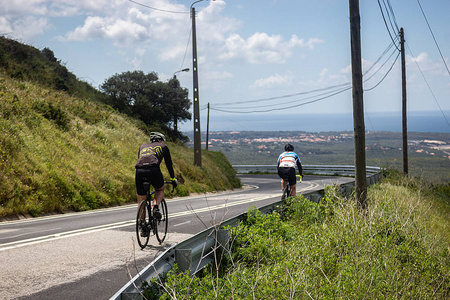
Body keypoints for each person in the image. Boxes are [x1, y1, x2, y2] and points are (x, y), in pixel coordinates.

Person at [135, 132, 177, 234]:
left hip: (139, 171)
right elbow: (169, 165)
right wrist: (172, 179)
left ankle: (143, 224)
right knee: (160, 188)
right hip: (153, 170)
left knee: (141, 199)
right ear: (160, 140)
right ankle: (156, 207)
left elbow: (140, 160)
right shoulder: (163, 147)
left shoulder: (142, 147)